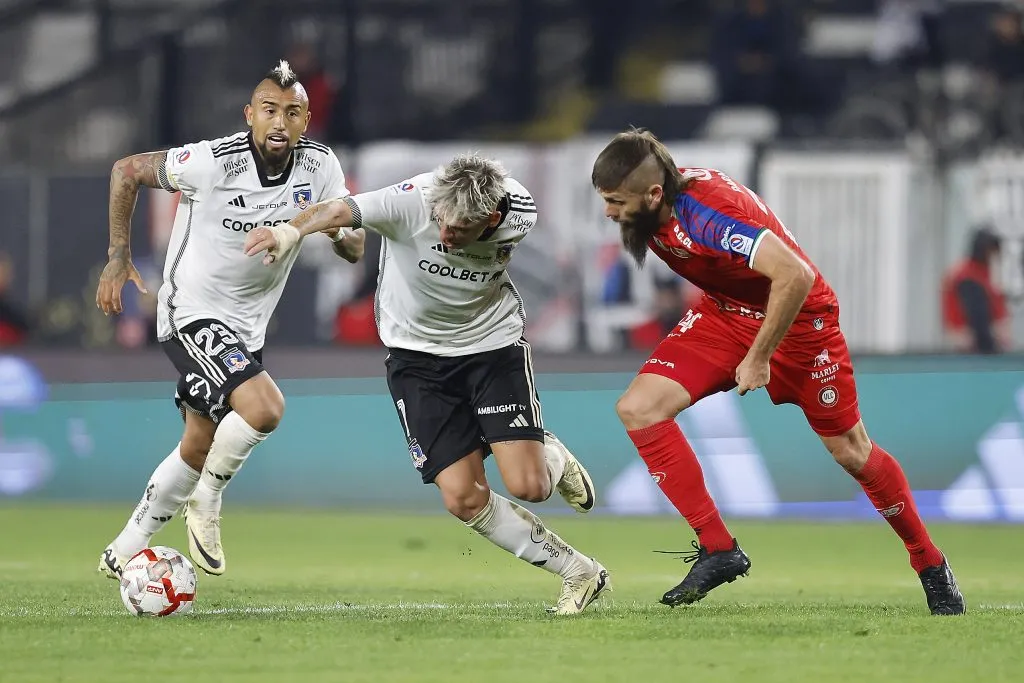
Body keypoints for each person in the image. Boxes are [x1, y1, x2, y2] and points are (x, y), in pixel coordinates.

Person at [589, 128, 965, 616]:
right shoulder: (661, 202)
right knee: (639, 409)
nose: (609, 213)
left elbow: (795, 275)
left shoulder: (705, 215)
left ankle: (929, 562)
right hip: (727, 313)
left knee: (851, 452)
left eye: (616, 201)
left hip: (800, 323)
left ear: (655, 193)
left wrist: (759, 356)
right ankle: (719, 548)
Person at [243, 154, 610, 614]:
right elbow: (338, 210)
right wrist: (289, 231)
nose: (443, 235)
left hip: (491, 347)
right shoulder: (412, 201)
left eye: (458, 231)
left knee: (531, 487)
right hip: (416, 360)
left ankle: (548, 452)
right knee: (461, 497)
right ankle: (579, 571)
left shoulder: (521, 212)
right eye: (440, 222)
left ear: (492, 219)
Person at [95, 60, 361, 579]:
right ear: (250, 116)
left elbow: (354, 245)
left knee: (198, 443)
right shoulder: (213, 161)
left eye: (292, 112)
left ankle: (123, 550)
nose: (279, 122)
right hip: (190, 312)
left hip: (247, 327)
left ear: (307, 121)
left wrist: (333, 230)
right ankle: (207, 502)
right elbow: (126, 169)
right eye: (269, 111)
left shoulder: (321, 167)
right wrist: (117, 256)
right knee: (264, 408)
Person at [942, 227, 1010, 354]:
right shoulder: (968, 276)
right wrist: (992, 347)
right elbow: (978, 320)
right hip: (973, 348)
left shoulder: (983, 273)